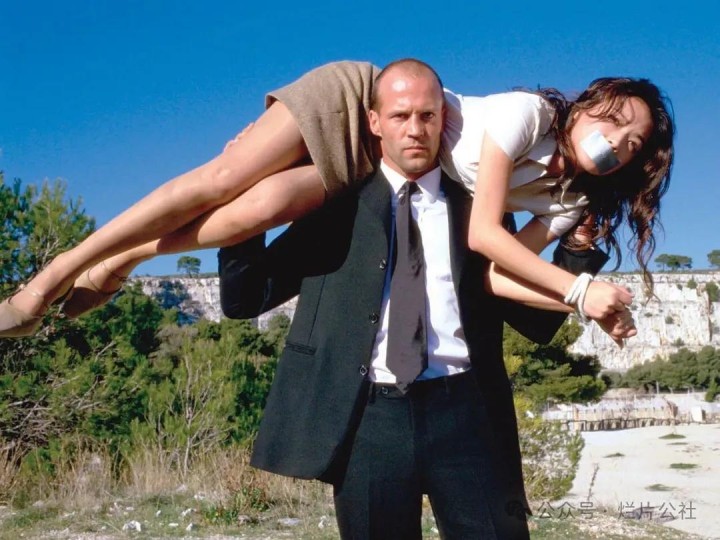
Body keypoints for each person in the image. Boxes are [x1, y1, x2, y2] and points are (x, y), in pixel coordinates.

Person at [216, 59, 636, 538]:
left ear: (444, 119)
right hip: (367, 422)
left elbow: (534, 323)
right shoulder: (335, 207)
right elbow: (244, 298)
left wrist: (579, 246)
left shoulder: (483, 211)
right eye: (400, 116)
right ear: (375, 122)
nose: (415, 130)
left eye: (427, 116)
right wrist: (242, 201)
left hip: (470, 416)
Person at [0, 59, 673, 337]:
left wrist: (581, 302)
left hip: (373, 159)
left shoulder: (567, 203)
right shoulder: (530, 115)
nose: (618, 142)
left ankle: (123, 260)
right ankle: (55, 273)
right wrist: (578, 290)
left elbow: (496, 276)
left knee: (254, 213)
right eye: (615, 120)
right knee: (222, 180)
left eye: (635, 145)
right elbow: (485, 235)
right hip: (366, 103)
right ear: (590, 102)